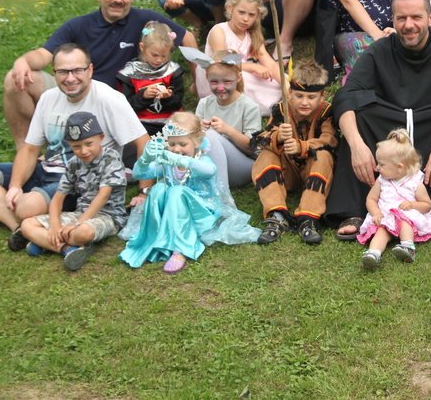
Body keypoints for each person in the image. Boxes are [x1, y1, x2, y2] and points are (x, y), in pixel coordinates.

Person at [327, 0, 431, 241]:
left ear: (430, 18)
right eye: (401, 18)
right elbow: (346, 95)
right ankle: (355, 207)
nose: (409, 25)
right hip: (391, 132)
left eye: (416, 17)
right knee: (359, 118)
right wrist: (357, 145)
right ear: (393, 19)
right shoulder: (380, 50)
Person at [0, 44, 148, 245]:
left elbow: (143, 142)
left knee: (26, 207)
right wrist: (15, 186)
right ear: (54, 73)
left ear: (90, 70)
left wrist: (144, 192)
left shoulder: (109, 99)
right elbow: (30, 149)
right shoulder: (48, 98)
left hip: (78, 181)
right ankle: (17, 227)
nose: (70, 78)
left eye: (77, 70)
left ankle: (0, 208)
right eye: (63, 72)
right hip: (45, 167)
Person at [2, 0, 192, 149]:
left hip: (119, 103)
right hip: (77, 91)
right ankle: (27, 148)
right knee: (15, 79)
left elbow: (187, 37)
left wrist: (197, 82)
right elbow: (44, 55)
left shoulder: (144, 19)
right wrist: (23, 61)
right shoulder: (78, 25)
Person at [118, 112, 260, 273]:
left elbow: (210, 170)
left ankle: (181, 248)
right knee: (158, 189)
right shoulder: (167, 163)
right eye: (172, 144)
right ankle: (155, 237)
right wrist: (145, 159)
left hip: (201, 212)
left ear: (197, 142)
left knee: (177, 192)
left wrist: (181, 160)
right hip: (173, 213)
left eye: (182, 144)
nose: (176, 149)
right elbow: (139, 174)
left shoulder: (201, 160)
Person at [18, 111, 128, 270]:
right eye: (76, 146)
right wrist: (55, 226)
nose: (83, 151)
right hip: (80, 213)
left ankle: (44, 242)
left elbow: (103, 196)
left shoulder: (111, 158)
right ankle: (67, 249)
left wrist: (78, 224)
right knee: (27, 224)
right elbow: (57, 199)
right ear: (69, 145)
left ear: (101, 138)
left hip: (108, 216)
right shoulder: (73, 163)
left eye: (89, 144)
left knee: (84, 232)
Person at [251, 60, 337, 245]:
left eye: (311, 97)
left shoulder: (326, 112)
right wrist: (278, 136)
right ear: (289, 93)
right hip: (287, 172)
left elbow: (330, 140)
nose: (305, 102)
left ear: (322, 96)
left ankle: (308, 218)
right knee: (266, 154)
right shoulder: (282, 109)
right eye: (299, 96)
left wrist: (302, 146)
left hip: (312, 172)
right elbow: (263, 138)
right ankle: (276, 214)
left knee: (323, 156)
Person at [358, 129, 431, 269]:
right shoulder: (382, 180)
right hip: (386, 216)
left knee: (404, 222)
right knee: (381, 231)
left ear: (399, 167)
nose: (377, 168)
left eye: (381, 164)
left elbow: (427, 205)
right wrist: (376, 213)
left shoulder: (415, 182)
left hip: (407, 216)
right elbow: (371, 199)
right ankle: (373, 253)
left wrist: (412, 205)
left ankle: (407, 247)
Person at [195, 0, 282, 115]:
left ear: (257, 16)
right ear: (230, 8)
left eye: (251, 15)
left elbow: (268, 62)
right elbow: (221, 62)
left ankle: (280, 96)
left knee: (275, 78)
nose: (246, 19)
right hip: (219, 75)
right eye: (241, 12)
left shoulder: (252, 34)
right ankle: (266, 105)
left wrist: (284, 82)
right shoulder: (219, 31)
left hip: (240, 71)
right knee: (242, 79)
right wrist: (252, 67)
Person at [196, 52, 261, 188]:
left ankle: (222, 193)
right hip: (209, 165)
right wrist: (198, 131)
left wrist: (228, 130)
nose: (220, 87)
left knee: (211, 135)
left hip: (242, 167)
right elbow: (192, 143)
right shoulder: (204, 103)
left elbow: (253, 148)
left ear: (238, 78)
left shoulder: (249, 107)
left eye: (227, 81)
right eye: (214, 82)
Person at [116, 21, 185, 136]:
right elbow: (125, 107)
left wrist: (168, 97)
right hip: (140, 124)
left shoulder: (172, 71)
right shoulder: (130, 73)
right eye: (154, 55)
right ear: (142, 47)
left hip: (171, 122)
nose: (159, 60)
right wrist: (143, 96)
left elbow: (178, 102)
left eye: (164, 56)